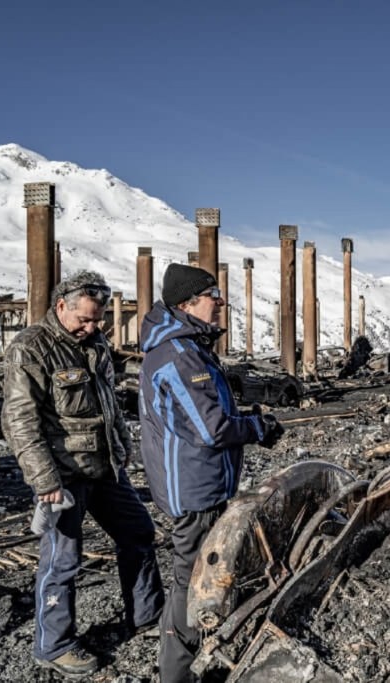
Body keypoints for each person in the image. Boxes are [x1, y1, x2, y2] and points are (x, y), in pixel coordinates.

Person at [2, 270, 165, 677]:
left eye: (97, 321)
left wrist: (123, 448)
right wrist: (45, 482)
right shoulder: (31, 348)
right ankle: (53, 645)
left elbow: (108, 405)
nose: (92, 328)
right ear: (61, 307)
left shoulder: (95, 344)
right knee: (62, 560)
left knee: (139, 533)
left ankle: (147, 616)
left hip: (106, 469)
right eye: (85, 320)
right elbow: (20, 421)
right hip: (63, 475)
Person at [139, 263, 283, 683]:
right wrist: (259, 427)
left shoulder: (187, 347)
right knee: (192, 586)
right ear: (188, 303)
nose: (220, 301)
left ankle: (196, 658)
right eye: (212, 294)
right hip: (194, 492)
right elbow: (212, 428)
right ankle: (178, 675)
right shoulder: (180, 356)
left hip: (200, 485)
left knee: (197, 577)